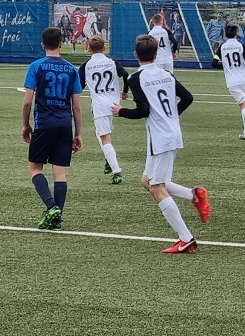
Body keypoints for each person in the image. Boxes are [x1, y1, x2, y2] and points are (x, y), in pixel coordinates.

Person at [112, 34, 210, 254]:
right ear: (156, 55)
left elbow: (143, 110)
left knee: (157, 188)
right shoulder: (166, 74)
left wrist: (121, 112)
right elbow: (188, 98)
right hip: (169, 133)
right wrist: (170, 117)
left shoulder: (136, 78)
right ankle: (194, 195)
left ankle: (186, 239)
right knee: (147, 181)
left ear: (135, 54)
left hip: (160, 137)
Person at [21, 26, 83, 230]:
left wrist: (26, 125)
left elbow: (27, 102)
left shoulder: (36, 66)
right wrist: (78, 133)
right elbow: (76, 106)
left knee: (35, 168)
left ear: (42, 44)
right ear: (61, 44)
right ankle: (57, 219)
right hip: (65, 123)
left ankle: (51, 207)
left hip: (44, 122)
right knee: (60, 173)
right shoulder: (72, 69)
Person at [79, 35, 129, 184]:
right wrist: (125, 91)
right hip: (114, 104)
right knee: (99, 132)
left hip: (99, 106)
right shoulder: (112, 62)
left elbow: (79, 86)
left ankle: (117, 172)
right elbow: (126, 75)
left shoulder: (86, 66)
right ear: (104, 47)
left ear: (89, 48)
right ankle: (109, 159)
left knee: (105, 138)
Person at [213, 24, 245, 140]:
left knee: (243, 105)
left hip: (232, 81)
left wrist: (225, 66)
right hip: (244, 79)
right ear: (236, 34)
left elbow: (214, 63)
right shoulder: (240, 45)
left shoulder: (222, 47)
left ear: (226, 34)